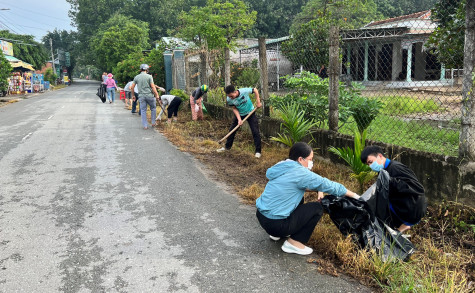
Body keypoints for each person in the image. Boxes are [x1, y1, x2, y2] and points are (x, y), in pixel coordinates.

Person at [256, 142, 360, 255]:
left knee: (298, 197)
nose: (311, 162)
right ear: (301, 159)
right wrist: (355, 196)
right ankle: (294, 243)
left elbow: (299, 186)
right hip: (276, 224)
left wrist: (319, 189)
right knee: (317, 208)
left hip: (262, 217)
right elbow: (329, 185)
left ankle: (277, 235)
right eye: (310, 159)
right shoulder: (301, 173)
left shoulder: (283, 165)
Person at [360, 145, 427, 233]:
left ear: (380, 156)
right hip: (407, 205)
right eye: (368, 164)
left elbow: (417, 188)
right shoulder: (384, 170)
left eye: (371, 162)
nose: (370, 166)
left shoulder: (395, 168)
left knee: (380, 208)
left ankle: (402, 226)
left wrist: (390, 181)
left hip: (412, 208)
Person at [217, 85, 262, 158]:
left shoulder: (244, 91)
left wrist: (258, 101)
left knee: (255, 131)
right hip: (240, 114)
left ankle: (258, 152)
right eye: (229, 96)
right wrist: (239, 119)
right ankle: (227, 147)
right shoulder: (229, 99)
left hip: (250, 112)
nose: (230, 98)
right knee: (232, 130)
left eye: (231, 96)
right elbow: (234, 108)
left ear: (235, 92)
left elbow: (255, 90)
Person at [130, 64, 160, 130]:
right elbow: (153, 86)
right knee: (153, 108)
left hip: (141, 96)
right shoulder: (149, 77)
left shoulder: (136, 77)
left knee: (143, 110)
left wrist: (133, 96)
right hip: (150, 96)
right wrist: (157, 94)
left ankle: (145, 126)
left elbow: (132, 87)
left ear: (140, 69)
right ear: (147, 70)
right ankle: (153, 122)